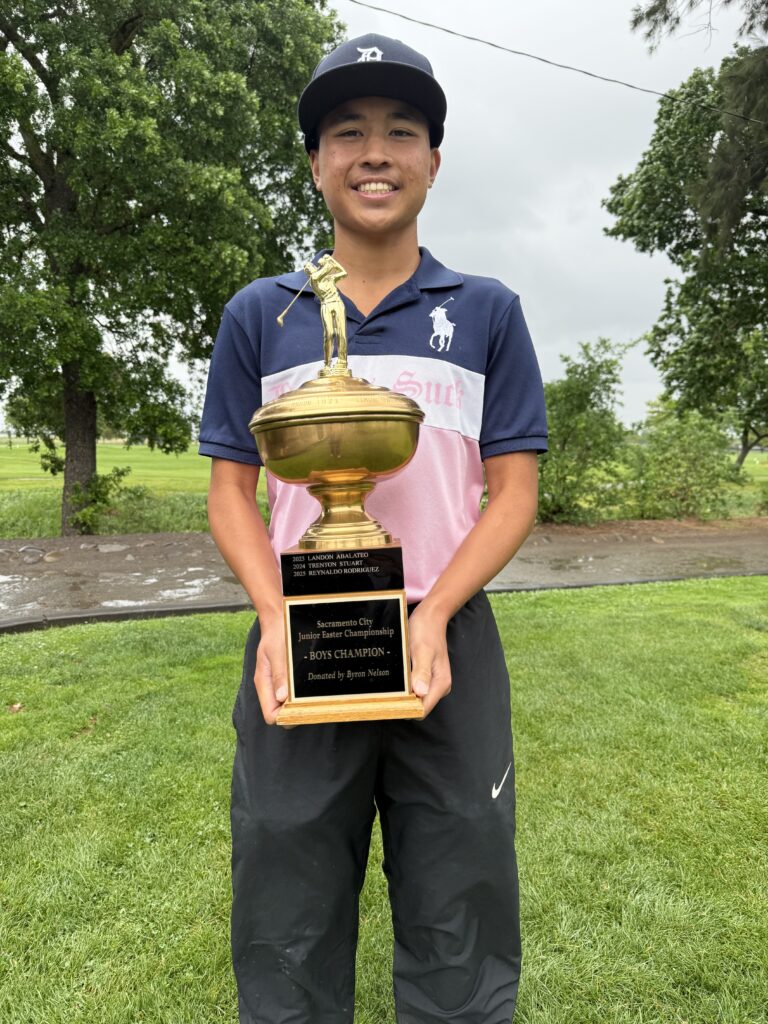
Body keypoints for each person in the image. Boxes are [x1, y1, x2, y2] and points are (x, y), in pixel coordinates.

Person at [199, 32, 548, 1024]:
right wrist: (276, 616)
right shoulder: (262, 315)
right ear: (317, 164)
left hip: (447, 638)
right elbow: (229, 493)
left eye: (401, 130)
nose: (375, 153)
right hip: (299, 635)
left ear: (434, 160)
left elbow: (512, 491)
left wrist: (432, 614)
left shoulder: (485, 312)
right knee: (287, 902)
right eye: (347, 132)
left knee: (460, 897)